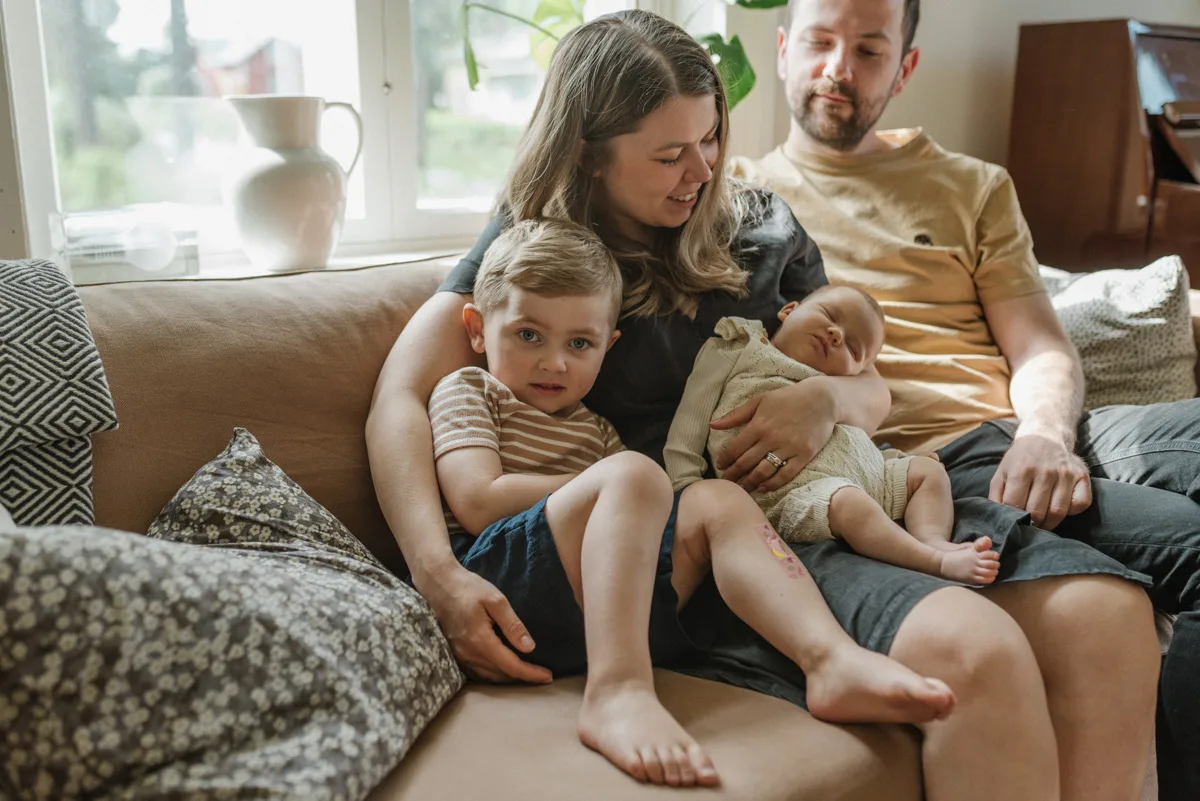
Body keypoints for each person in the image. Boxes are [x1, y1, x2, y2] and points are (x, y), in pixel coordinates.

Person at [365, 9, 1157, 801]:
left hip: (842, 482)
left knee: (1106, 616)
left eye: (710, 140)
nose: (701, 171)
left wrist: (823, 398)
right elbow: (401, 395)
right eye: (670, 154)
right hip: (717, 548)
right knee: (977, 653)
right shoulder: (541, 247)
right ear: (588, 154)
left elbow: (870, 387)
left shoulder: (762, 222)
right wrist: (435, 573)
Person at [730, 0, 1196, 798]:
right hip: (933, 462)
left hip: (1032, 431)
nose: (839, 67)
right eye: (819, 42)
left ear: (905, 68)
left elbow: (1041, 346)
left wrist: (1046, 434)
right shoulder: (743, 203)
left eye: (869, 49)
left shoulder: (973, 185)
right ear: (781, 51)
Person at [429, 217, 956, 786]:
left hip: (606, 606)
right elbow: (479, 501)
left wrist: (629, 486)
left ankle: (829, 660)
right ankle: (618, 692)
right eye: (529, 335)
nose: (554, 362)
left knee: (717, 498)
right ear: (479, 329)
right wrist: (622, 482)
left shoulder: (596, 428)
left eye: (578, 343)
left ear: (609, 346)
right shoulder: (470, 389)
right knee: (638, 475)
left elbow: (631, 510)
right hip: (501, 591)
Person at [665, 285, 1000, 585]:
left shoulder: (839, 387)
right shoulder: (739, 347)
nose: (836, 335)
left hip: (867, 476)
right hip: (791, 494)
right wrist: (686, 487)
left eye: (854, 350)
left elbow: (851, 438)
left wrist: (891, 462)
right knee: (848, 501)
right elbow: (690, 420)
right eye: (828, 315)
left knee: (928, 472)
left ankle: (932, 539)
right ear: (789, 310)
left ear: (858, 372)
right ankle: (934, 562)